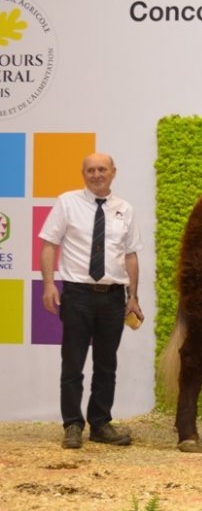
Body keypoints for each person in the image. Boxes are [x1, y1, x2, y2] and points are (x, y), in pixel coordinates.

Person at [39, 153, 144, 449]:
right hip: (77, 295)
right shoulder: (67, 202)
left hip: (113, 297)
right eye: (91, 170)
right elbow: (48, 245)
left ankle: (100, 423)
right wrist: (48, 284)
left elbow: (130, 255)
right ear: (83, 173)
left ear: (113, 172)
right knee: (73, 364)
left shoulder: (125, 209)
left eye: (102, 169)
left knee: (106, 365)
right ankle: (72, 425)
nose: (96, 174)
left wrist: (133, 296)